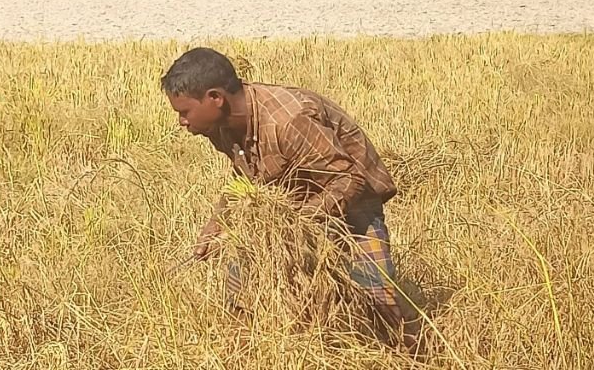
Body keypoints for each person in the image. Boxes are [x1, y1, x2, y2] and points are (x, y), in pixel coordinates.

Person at [160, 47, 424, 354]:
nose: (181, 121)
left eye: (184, 111)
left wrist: (295, 222)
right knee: (240, 286)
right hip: (297, 200)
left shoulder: (289, 120)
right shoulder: (217, 125)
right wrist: (217, 224)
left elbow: (348, 179)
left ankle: (418, 357)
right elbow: (245, 178)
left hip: (352, 200)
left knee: (378, 298)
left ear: (215, 98)